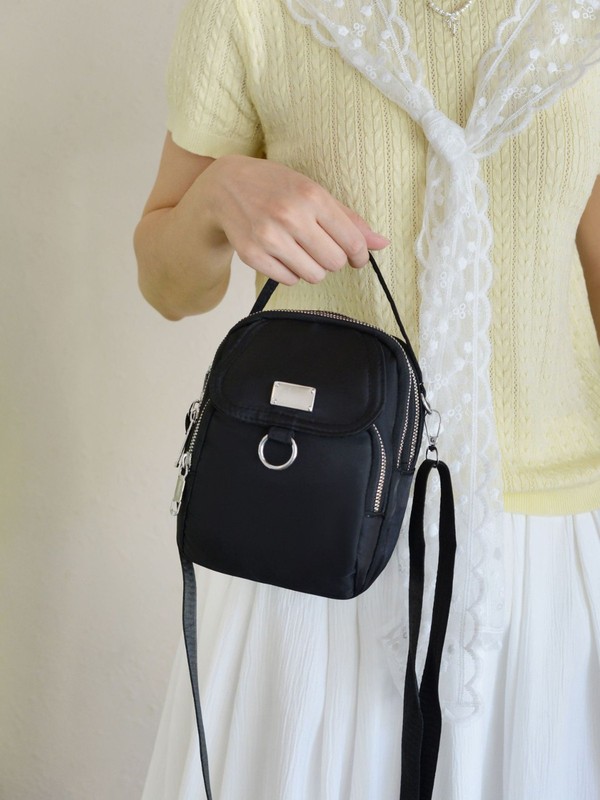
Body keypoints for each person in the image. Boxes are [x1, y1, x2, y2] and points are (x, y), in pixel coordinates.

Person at [134, 0, 600, 797]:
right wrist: (215, 196)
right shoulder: (255, 11)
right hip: (311, 532)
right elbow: (168, 285)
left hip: (549, 547)